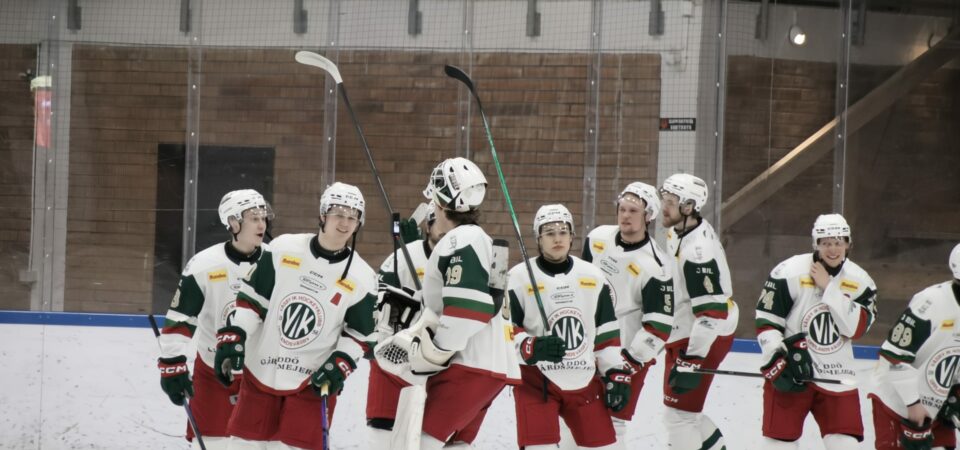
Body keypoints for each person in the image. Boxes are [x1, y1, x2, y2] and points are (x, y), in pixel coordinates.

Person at [215, 182, 378, 449]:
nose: (345, 223)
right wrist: (236, 334)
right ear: (323, 214)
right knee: (244, 445)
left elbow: (361, 333)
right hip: (262, 370)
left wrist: (341, 362)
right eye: (338, 213)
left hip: (312, 381)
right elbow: (252, 301)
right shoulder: (283, 248)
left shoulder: (363, 276)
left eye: (353, 217)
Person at [382, 157, 520, 449]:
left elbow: (468, 312)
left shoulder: (460, 240)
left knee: (417, 444)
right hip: (490, 368)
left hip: (468, 367)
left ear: (441, 200)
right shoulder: (479, 238)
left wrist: (433, 350)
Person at [157, 189, 272, 450]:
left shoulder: (276, 261)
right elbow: (181, 318)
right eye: (254, 218)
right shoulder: (204, 264)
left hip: (262, 375)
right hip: (213, 372)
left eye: (263, 217)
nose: (262, 225)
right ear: (233, 222)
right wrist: (173, 362)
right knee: (214, 444)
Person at [754, 213, 878, 450]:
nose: (833, 249)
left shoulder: (861, 282)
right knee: (778, 445)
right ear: (816, 244)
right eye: (826, 243)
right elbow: (767, 320)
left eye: (838, 242)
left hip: (837, 375)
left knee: (845, 445)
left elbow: (855, 329)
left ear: (848, 244)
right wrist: (776, 358)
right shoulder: (788, 272)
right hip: (793, 371)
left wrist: (829, 288)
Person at [509, 203, 627, 449]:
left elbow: (606, 332)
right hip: (536, 381)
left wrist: (616, 372)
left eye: (563, 232)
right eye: (549, 233)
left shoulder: (593, 276)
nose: (557, 238)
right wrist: (530, 346)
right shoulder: (518, 278)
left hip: (584, 379)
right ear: (538, 238)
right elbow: (506, 330)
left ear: (572, 236)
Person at [582, 182, 675, 442]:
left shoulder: (657, 266)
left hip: (624, 354)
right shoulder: (597, 238)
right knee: (573, 416)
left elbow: (659, 326)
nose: (625, 215)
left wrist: (628, 363)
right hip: (585, 347)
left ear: (648, 216)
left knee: (614, 423)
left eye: (633, 211)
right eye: (622, 209)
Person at [660, 173, 737, 450]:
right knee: (680, 413)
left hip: (705, 335)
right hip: (690, 328)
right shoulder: (679, 230)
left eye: (670, 202)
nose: (663, 207)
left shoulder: (698, 252)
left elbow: (712, 314)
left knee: (679, 416)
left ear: (689, 207)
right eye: (664, 199)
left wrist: (692, 359)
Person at [869, 243, 960, 450]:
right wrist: (913, 403)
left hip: (937, 402)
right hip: (896, 400)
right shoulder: (931, 302)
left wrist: (956, 391)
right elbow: (894, 356)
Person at [366, 203, 441, 447]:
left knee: (429, 438)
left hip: (438, 366)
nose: (445, 229)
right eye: (437, 222)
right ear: (427, 226)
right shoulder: (403, 257)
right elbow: (377, 300)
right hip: (394, 361)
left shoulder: (463, 260)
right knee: (384, 439)